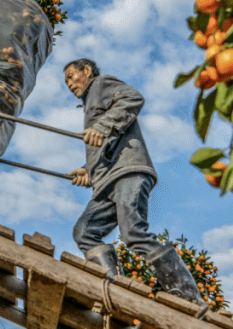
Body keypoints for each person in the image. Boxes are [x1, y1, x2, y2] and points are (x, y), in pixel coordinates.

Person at [64, 58, 205, 309]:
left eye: (71, 77)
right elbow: (105, 145)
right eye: (66, 81)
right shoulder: (90, 103)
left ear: (87, 71)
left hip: (127, 172)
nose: (69, 84)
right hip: (107, 180)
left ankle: (187, 296)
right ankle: (113, 290)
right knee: (84, 232)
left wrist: (103, 125)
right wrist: (88, 171)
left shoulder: (100, 84)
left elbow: (133, 98)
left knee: (133, 232)